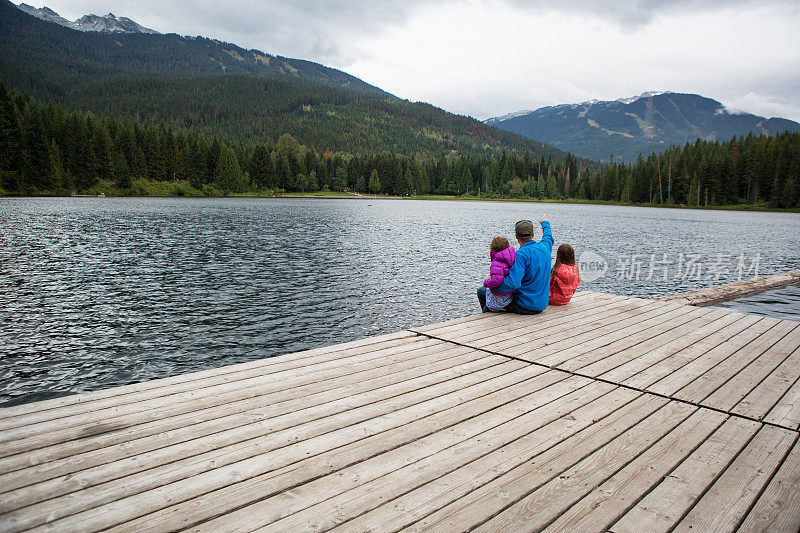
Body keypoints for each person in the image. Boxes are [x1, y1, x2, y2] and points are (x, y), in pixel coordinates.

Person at [477, 214, 553, 314]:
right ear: (533, 235)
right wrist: (545, 222)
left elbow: (513, 283)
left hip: (525, 306)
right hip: (542, 305)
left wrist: (492, 284)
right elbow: (548, 236)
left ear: (516, 236)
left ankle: (486, 320)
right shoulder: (545, 247)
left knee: (482, 292)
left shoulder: (520, 255)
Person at [481, 236, 516, 312]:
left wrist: (486, 282)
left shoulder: (497, 262)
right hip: (509, 295)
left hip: (499, 297)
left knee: (481, 292)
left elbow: (496, 280)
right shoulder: (513, 257)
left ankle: (485, 314)